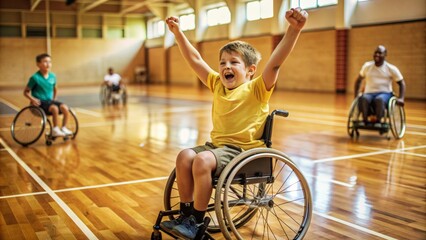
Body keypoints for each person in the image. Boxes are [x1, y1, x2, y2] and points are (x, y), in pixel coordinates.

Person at [160, 7, 308, 239]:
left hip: (241, 151)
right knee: (184, 156)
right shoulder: (218, 84)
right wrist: (178, 33)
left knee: (200, 161)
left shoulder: (257, 88)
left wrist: (294, 29)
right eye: (222, 63)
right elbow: (195, 59)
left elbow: (276, 63)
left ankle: (197, 222)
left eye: (233, 62)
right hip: (216, 147)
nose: (226, 67)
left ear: (250, 70)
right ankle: (186, 214)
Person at [354, 45, 406, 127]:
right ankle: (365, 120)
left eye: (380, 53)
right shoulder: (367, 66)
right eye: (376, 52)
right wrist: (356, 95)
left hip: (385, 93)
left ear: (385, 55)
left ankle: (378, 120)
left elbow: (401, 83)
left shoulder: (391, 68)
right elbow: (358, 80)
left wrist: (401, 98)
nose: (377, 54)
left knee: (379, 99)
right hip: (369, 93)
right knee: (363, 98)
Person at [24, 53, 73, 137]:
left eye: (49, 62)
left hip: (49, 101)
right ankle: (55, 130)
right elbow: (25, 92)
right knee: (54, 108)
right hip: (39, 103)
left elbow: (55, 88)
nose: (48, 64)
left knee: (65, 107)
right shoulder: (35, 78)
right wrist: (32, 99)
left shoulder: (53, 76)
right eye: (45, 62)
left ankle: (64, 128)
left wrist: (54, 99)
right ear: (38, 64)